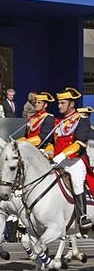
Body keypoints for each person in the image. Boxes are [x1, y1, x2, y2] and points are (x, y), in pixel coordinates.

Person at [52, 87, 92, 230]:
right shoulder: (57, 121)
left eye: (63, 103)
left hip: (75, 161)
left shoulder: (81, 119)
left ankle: (82, 217)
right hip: (58, 160)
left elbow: (79, 143)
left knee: (77, 182)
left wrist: (62, 155)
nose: (59, 106)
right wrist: (47, 152)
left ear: (71, 104)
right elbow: (52, 143)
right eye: (59, 103)